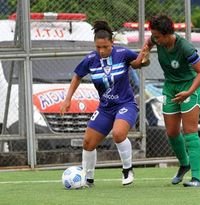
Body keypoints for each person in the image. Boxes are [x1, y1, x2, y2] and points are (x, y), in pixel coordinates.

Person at [60, 20, 149, 186]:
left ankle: (127, 169)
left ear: (112, 43)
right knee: (88, 142)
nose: (101, 51)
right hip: (105, 108)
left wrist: (144, 57)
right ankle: (88, 178)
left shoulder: (122, 53)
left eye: (105, 47)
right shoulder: (90, 59)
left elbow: (137, 64)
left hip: (125, 105)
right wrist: (67, 99)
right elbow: (77, 76)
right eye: (98, 47)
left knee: (118, 134)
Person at [144, 15, 200, 187]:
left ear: (167, 34)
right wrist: (145, 52)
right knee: (171, 132)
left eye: (157, 36)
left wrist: (188, 92)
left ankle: (197, 178)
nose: (154, 39)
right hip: (170, 88)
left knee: (190, 132)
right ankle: (184, 164)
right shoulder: (156, 40)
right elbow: (148, 44)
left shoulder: (185, 47)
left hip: (189, 87)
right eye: (154, 36)